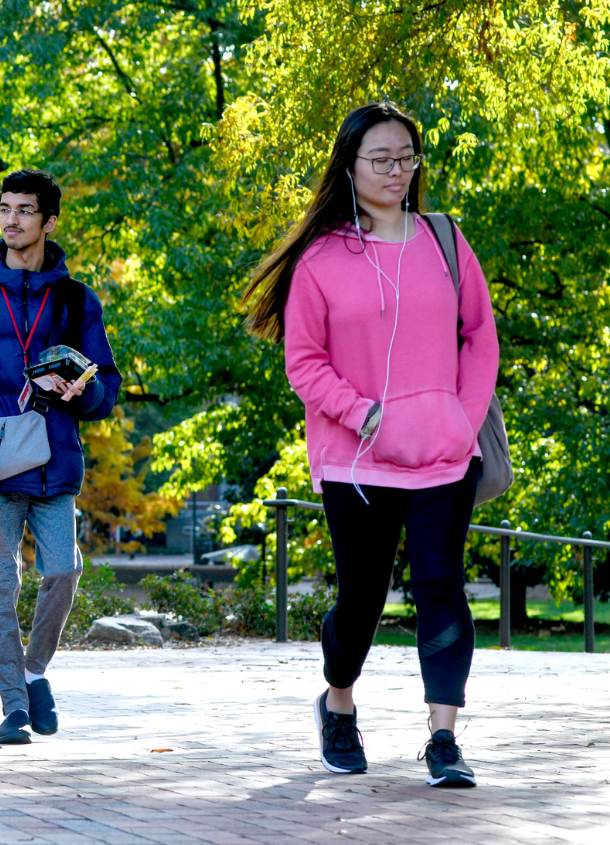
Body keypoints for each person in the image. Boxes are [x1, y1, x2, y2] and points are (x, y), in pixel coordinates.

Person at [241, 102, 497, 788]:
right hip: (356, 456)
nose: (395, 170)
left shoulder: (446, 240)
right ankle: (339, 701)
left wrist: (460, 419)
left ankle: (444, 737)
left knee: (442, 587)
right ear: (349, 167)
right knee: (363, 596)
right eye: (380, 159)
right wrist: (367, 416)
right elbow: (305, 362)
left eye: (405, 157)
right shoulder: (323, 258)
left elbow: (480, 337)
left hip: (444, 453)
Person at [0, 169, 122, 745]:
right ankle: (14, 704)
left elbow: (105, 387)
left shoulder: (75, 300)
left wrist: (81, 391)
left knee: (62, 571)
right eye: (4, 208)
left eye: (24, 210)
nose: (11, 219)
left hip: (53, 460)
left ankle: (36, 670)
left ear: (49, 221)